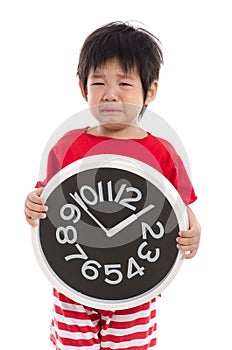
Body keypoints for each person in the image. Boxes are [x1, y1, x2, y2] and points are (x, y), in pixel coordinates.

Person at [24, 21, 201, 350]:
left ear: (150, 91)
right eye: (98, 82)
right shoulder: (66, 145)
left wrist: (193, 230)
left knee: (130, 344)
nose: (110, 93)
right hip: (73, 275)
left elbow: (179, 209)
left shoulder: (162, 151)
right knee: (73, 343)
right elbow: (47, 200)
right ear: (83, 90)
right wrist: (32, 203)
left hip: (137, 279)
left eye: (124, 83)